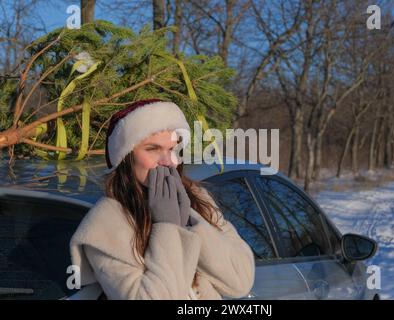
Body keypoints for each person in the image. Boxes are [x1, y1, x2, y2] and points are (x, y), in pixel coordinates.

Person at [69, 99, 255, 300]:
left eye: (172, 149)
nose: (167, 162)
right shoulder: (106, 225)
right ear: (125, 157)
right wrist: (167, 227)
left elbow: (240, 283)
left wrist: (191, 222)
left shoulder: (197, 199)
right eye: (153, 149)